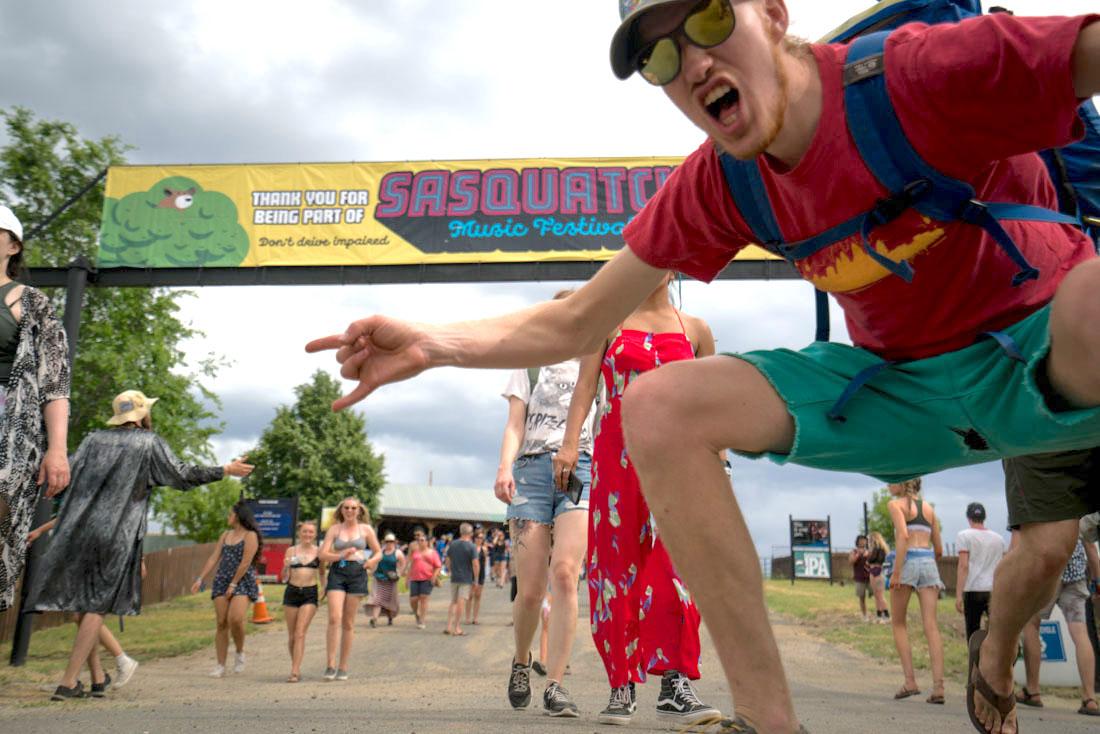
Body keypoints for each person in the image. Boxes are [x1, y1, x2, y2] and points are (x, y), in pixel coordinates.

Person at [306, 3, 1100, 731]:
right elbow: (576, 319)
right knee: (658, 403)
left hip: (1047, 352)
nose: (689, 62)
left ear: (774, 14)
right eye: (658, 57)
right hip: (899, 389)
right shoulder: (725, 178)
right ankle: (767, 718)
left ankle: (993, 657)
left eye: (711, 18)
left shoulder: (917, 74)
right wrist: (434, 344)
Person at [560, 273, 721, 726]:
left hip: (681, 461)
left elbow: (712, 400)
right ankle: (621, 685)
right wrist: (570, 445)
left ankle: (674, 682)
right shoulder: (608, 323)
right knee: (615, 570)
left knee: (679, 567)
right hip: (618, 457)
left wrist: (721, 459)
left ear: (675, 269)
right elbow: (585, 388)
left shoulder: (696, 330)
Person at [27, 390, 252, 699]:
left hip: (80, 532)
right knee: (95, 605)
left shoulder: (93, 441)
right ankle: (68, 682)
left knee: (82, 603)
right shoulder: (148, 444)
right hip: (116, 536)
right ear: (143, 415)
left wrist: (44, 524)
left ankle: (96, 679)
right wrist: (224, 470)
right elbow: (183, 474)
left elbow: (66, 478)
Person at [492, 288, 596, 717]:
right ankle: (521, 662)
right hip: (531, 472)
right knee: (531, 591)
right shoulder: (531, 364)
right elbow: (515, 423)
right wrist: (504, 467)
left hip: (582, 471)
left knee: (567, 575)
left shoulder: (597, 365)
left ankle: (555, 684)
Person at [0, 204, 71, 612]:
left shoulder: (34, 304)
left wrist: (56, 449)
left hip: (11, 434)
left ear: (13, 245)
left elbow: (55, 383)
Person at [1017, 535, 1100, 716]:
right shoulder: (1080, 510)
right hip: (1076, 576)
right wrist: (1097, 581)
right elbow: (1091, 550)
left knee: (1030, 624)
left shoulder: (1046, 506)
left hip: (1049, 573)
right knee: (1080, 633)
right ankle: (1089, 698)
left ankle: (1033, 690)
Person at [887, 479, 945, 706]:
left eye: (891, 481)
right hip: (928, 561)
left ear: (902, 484)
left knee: (899, 623)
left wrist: (896, 571)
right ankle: (939, 687)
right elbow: (939, 548)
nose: (887, 486)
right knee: (931, 626)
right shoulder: (929, 508)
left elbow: (902, 536)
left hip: (907, 561)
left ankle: (910, 681)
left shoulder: (896, 505)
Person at [193, 501, 263, 678]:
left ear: (238, 516)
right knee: (221, 622)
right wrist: (200, 579)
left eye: (230, 514)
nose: (228, 517)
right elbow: (213, 558)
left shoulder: (250, 536)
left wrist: (233, 583)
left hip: (242, 581)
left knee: (236, 619)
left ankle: (239, 652)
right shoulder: (225, 535)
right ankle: (220, 665)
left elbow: (246, 562)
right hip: (221, 580)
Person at [319, 496, 381, 680]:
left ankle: (343, 666)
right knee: (334, 617)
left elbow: (378, 552)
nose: (350, 511)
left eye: (353, 508)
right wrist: (339, 555)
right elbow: (322, 554)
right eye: (346, 508)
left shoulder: (366, 529)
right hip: (338, 571)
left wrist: (371, 561)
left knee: (348, 622)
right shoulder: (334, 529)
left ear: (359, 510)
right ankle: (330, 665)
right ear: (341, 510)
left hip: (357, 572)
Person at [955, 503, 1005, 643]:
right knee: (996, 631)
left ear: (968, 517)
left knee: (973, 632)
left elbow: (963, 566)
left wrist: (959, 595)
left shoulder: (964, 536)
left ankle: (975, 663)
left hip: (973, 589)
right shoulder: (999, 539)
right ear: (984, 517)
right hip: (994, 590)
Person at [281, 520, 322, 683]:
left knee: (300, 633)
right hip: (291, 591)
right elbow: (284, 576)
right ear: (299, 533)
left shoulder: (319, 552)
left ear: (315, 534)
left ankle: (295, 671)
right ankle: (295, 664)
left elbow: (323, 573)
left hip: (310, 593)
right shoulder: (291, 550)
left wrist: (324, 588)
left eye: (311, 532)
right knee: (292, 636)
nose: (307, 535)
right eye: (305, 531)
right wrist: (285, 566)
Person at [444, 522, 479, 637]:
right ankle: (457, 627)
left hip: (455, 577)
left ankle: (449, 626)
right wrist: (476, 579)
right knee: (461, 602)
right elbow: (475, 564)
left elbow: (447, 560)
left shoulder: (453, 544)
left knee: (453, 602)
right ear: (470, 533)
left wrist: (450, 570)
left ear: (460, 532)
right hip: (466, 578)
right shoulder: (472, 546)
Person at [366, 531, 405, 627]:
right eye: (387, 541)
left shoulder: (398, 553)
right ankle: (374, 619)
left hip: (390, 580)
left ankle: (390, 617)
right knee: (377, 599)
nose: (389, 543)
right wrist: (370, 571)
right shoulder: (380, 551)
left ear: (395, 542)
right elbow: (373, 561)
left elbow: (403, 563)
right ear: (384, 542)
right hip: (378, 577)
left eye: (391, 541)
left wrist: (399, 573)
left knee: (389, 600)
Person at [405, 529, 441, 629]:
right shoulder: (415, 553)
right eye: (419, 540)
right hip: (415, 578)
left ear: (427, 542)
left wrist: (434, 576)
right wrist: (407, 579)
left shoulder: (432, 553)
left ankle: (422, 620)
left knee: (424, 599)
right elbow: (411, 566)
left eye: (422, 540)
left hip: (427, 578)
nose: (420, 542)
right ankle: (416, 614)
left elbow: (438, 566)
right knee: (413, 599)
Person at [867, 531, 890, 624]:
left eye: (870, 539)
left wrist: (869, 555)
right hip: (873, 572)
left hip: (877, 572)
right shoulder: (875, 549)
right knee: (876, 595)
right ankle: (879, 615)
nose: (869, 541)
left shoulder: (879, 549)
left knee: (880, 595)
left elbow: (871, 560)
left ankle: (886, 615)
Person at [466, 529, 487, 625]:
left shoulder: (484, 549)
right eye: (478, 537)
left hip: (481, 574)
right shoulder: (470, 548)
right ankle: (467, 618)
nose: (480, 539)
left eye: (481, 538)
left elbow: (485, 562)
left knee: (478, 596)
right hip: (470, 573)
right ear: (474, 538)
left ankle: (475, 618)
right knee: (469, 596)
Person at [849, 535, 872, 622]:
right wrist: (858, 555)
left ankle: (880, 612)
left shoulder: (869, 551)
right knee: (862, 598)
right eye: (861, 540)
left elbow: (874, 561)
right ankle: (865, 615)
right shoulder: (854, 551)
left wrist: (868, 555)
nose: (863, 542)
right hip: (859, 578)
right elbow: (851, 562)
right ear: (857, 542)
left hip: (870, 577)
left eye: (864, 540)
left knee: (876, 592)